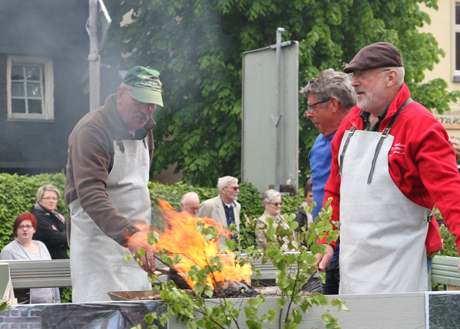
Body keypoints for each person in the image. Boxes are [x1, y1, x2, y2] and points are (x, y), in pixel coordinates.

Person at [318, 42, 460, 294]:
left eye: (362, 75)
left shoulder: (422, 127)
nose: (354, 82)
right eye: (353, 75)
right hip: (352, 269)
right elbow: (334, 192)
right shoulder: (350, 123)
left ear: (390, 77)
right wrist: (325, 241)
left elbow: (452, 197)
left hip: (400, 269)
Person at [65, 66, 163, 302]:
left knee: (139, 316)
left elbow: (139, 188)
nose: (146, 111)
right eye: (139, 102)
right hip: (97, 245)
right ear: (121, 93)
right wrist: (130, 236)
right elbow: (91, 195)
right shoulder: (92, 130)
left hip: (136, 245)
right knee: (100, 314)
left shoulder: (146, 131)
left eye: (151, 105)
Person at [301, 69, 356, 295]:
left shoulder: (356, 137)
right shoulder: (320, 141)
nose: (308, 114)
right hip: (325, 244)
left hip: (347, 247)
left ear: (333, 104)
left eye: (313, 107)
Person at [0, 213, 60, 304]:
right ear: (16, 230)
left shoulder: (41, 245)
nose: (25, 229)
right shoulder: (8, 251)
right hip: (24, 307)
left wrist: (57, 300)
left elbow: (51, 274)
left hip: (48, 303)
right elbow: (3, 284)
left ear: (34, 229)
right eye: (21, 226)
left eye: (28, 226)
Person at [31, 184, 68, 259]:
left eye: (54, 198)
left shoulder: (57, 216)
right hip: (48, 261)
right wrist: (70, 235)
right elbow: (54, 238)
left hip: (61, 259)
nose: (51, 201)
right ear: (40, 200)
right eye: (47, 198)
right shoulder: (37, 216)